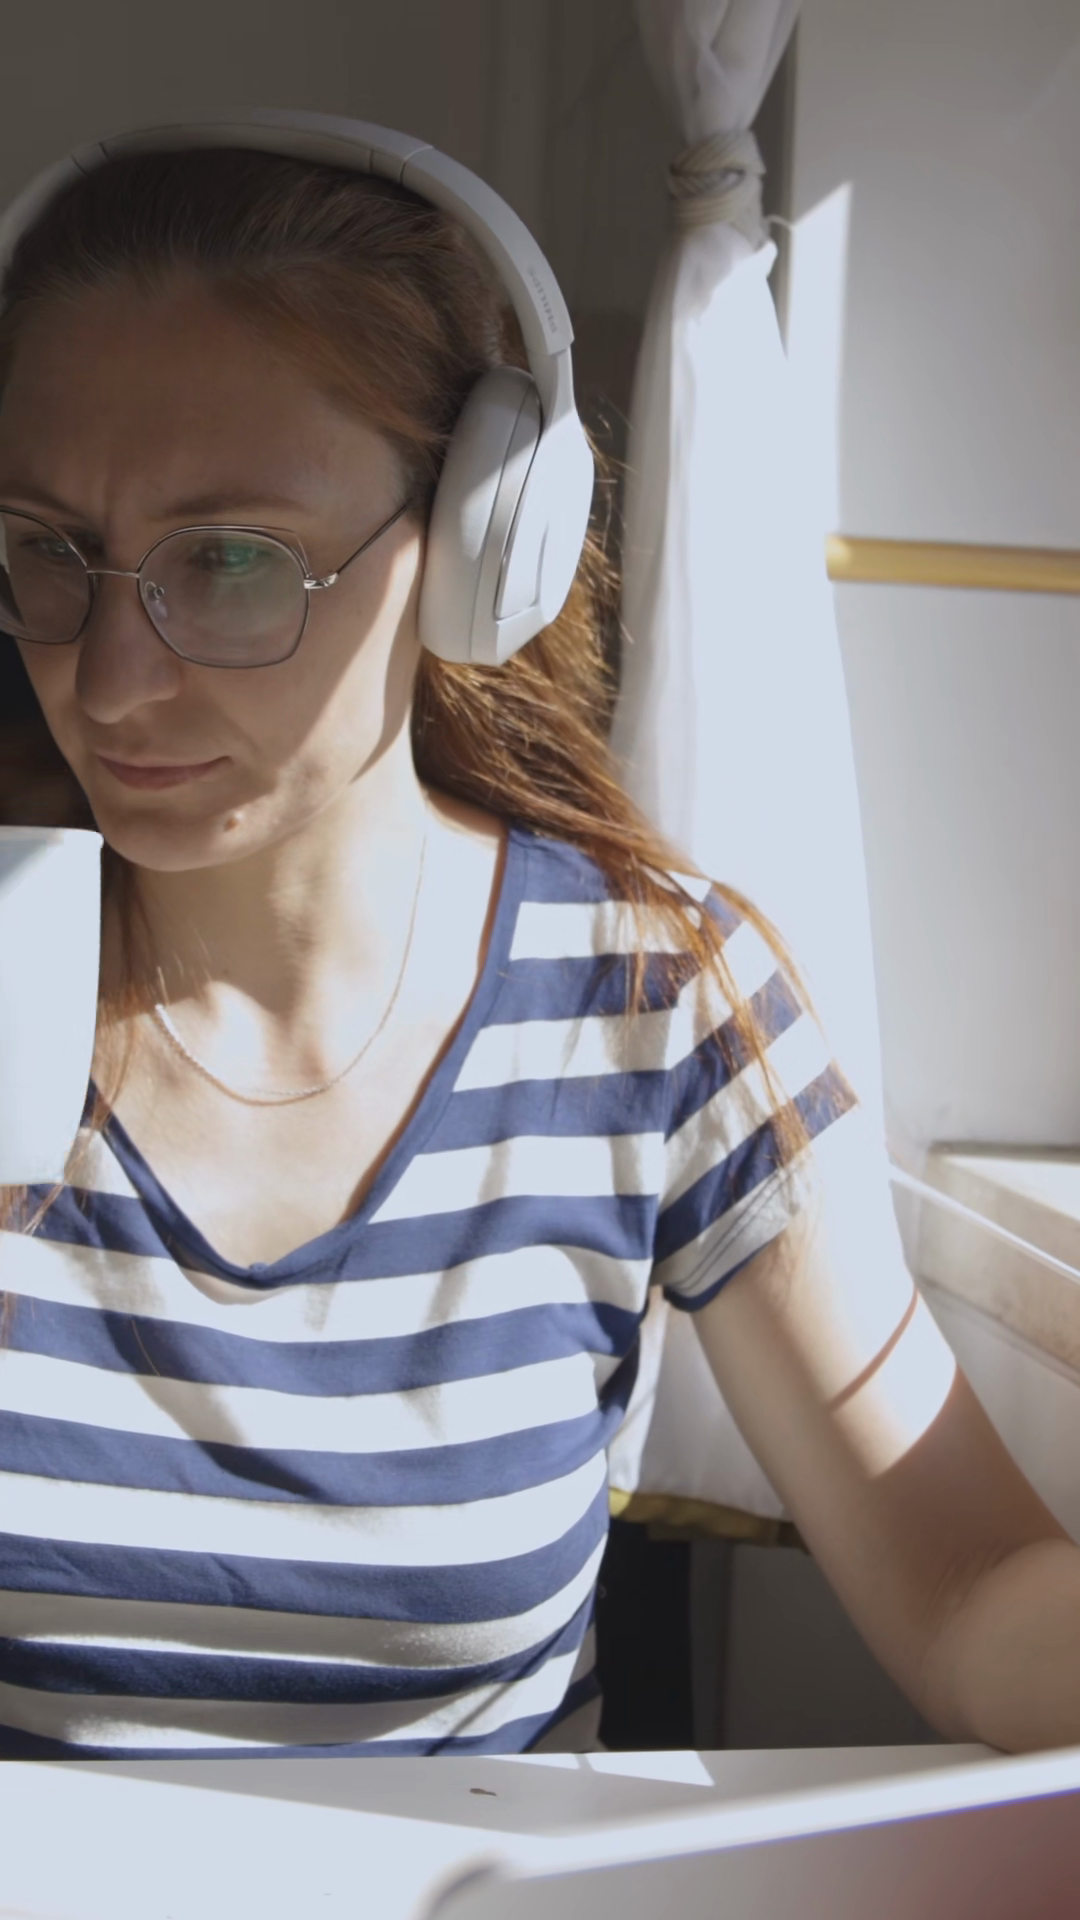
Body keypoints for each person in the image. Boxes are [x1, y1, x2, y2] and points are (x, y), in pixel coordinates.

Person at [0, 132, 1076, 1764]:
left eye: (228, 563)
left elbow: (970, 1582)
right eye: (49, 552)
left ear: (476, 545)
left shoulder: (652, 998)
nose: (107, 683)